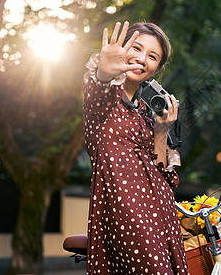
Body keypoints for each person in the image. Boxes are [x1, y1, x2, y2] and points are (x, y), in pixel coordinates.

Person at [82, 21, 189, 274]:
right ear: (122, 48)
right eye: (136, 48)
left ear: (157, 70)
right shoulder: (104, 103)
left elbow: (166, 176)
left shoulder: (147, 114)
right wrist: (105, 73)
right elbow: (98, 91)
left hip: (162, 217)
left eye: (152, 57)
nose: (142, 59)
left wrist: (162, 132)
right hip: (127, 217)